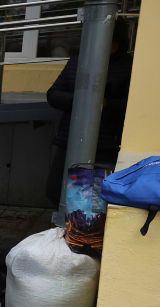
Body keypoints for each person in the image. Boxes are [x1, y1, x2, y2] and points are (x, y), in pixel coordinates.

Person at [45, 18, 133, 206]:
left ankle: (81, 232)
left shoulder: (128, 66)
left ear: (117, 44)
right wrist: (83, 101)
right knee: (55, 190)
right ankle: (63, 228)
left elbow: (130, 105)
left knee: (88, 201)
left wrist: (106, 104)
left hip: (105, 145)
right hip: (70, 138)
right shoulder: (78, 61)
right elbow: (53, 95)